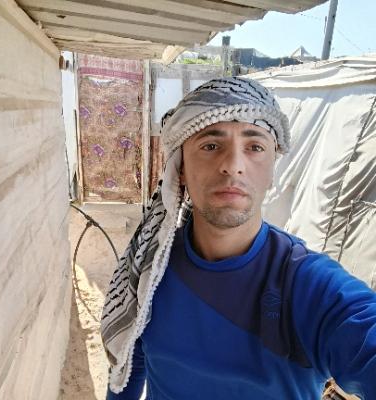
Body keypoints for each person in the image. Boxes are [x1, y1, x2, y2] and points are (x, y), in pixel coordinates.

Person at [101, 77, 376, 399]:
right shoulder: (151, 270)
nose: (233, 166)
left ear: (272, 170)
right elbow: (129, 361)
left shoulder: (310, 285)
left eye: (254, 147)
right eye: (210, 146)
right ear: (180, 168)